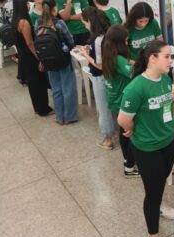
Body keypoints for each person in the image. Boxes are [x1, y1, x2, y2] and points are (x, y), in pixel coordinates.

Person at [118, 40, 174, 237]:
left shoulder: (165, 78)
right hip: (147, 147)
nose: (171, 61)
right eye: (167, 56)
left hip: (168, 141)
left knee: (160, 182)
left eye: (171, 56)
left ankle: (160, 206)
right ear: (153, 58)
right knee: (152, 193)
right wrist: (134, 129)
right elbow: (123, 120)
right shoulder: (135, 88)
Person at [102, 25, 139, 177]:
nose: (127, 41)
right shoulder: (118, 59)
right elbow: (133, 74)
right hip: (122, 100)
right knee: (130, 133)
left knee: (123, 132)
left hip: (114, 99)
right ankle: (130, 167)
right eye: (125, 40)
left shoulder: (108, 53)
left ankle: (126, 161)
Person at [36, 0, 78, 125]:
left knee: (56, 89)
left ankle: (59, 117)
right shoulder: (59, 24)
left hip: (48, 62)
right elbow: (71, 42)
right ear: (54, 9)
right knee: (68, 88)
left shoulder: (37, 23)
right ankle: (70, 117)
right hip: (63, 60)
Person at [80, 7, 117, 149]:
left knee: (104, 109)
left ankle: (107, 139)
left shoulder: (98, 40)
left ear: (89, 21)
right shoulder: (109, 34)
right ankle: (115, 131)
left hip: (101, 77)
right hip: (112, 76)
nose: (85, 25)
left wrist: (85, 54)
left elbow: (100, 65)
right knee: (112, 106)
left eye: (85, 23)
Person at [12, 0, 53, 116]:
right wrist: (39, 57)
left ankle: (38, 107)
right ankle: (43, 109)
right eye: (26, 3)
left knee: (33, 82)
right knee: (38, 82)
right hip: (30, 55)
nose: (28, 5)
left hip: (23, 55)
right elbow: (30, 43)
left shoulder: (15, 20)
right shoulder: (24, 22)